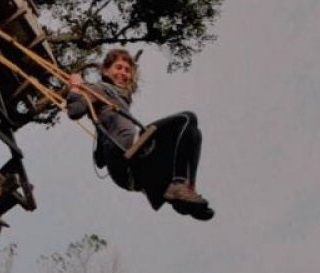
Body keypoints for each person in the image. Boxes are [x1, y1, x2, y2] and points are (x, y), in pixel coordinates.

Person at [66, 49, 213, 221]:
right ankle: (180, 186)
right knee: (187, 119)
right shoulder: (99, 89)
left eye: (127, 70)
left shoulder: (120, 100)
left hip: (137, 172)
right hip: (125, 159)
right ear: (105, 71)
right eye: (118, 68)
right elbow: (75, 111)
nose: (123, 73)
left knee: (193, 134)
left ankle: (185, 190)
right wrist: (75, 86)